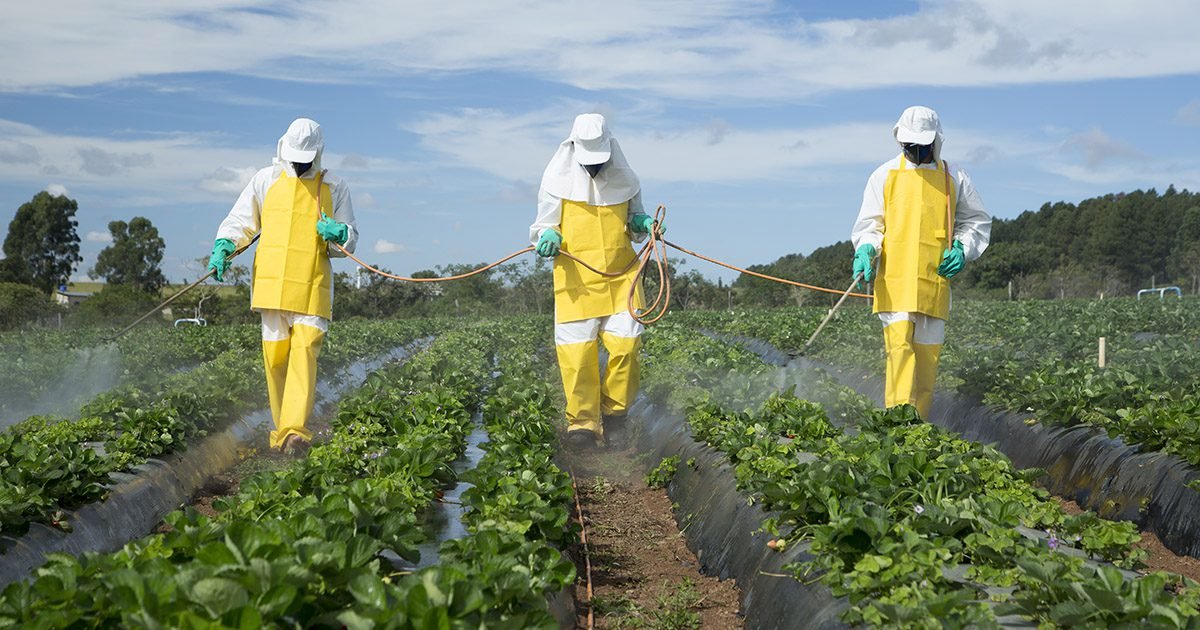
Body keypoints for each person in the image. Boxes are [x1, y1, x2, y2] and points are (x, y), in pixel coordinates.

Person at [207, 118, 358, 455]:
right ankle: (281, 435)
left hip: (312, 283)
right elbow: (241, 221)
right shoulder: (266, 179)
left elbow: (349, 238)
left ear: (318, 153)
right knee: (275, 359)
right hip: (272, 284)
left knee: (304, 353)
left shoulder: (334, 186)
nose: (299, 164)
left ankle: (294, 432)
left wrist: (340, 234)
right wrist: (224, 246)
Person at [850, 106, 990, 419]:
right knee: (899, 353)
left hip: (934, 281)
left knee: (927, 363)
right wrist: (867, 248)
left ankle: (919, 427)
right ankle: (897, 425)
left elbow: (975, 221)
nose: (914, 150)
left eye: (921, 145)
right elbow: (870, 224)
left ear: (935, 141)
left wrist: (962, 248)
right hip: (895, 281)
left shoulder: (954, 177)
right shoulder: (884, 175)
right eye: (909, 145)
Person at [530, 113, 659, 450]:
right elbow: (544, 225)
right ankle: (583, 425)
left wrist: (643, 223)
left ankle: (615, 416)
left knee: (626, 347)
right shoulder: (555, 180)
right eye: (588, 162)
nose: (594, 168)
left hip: (621, 277)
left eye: (598, 161)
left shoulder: (626, 180)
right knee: (578, 356)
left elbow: (634, 219)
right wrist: (547, 236)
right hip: (576, 280)